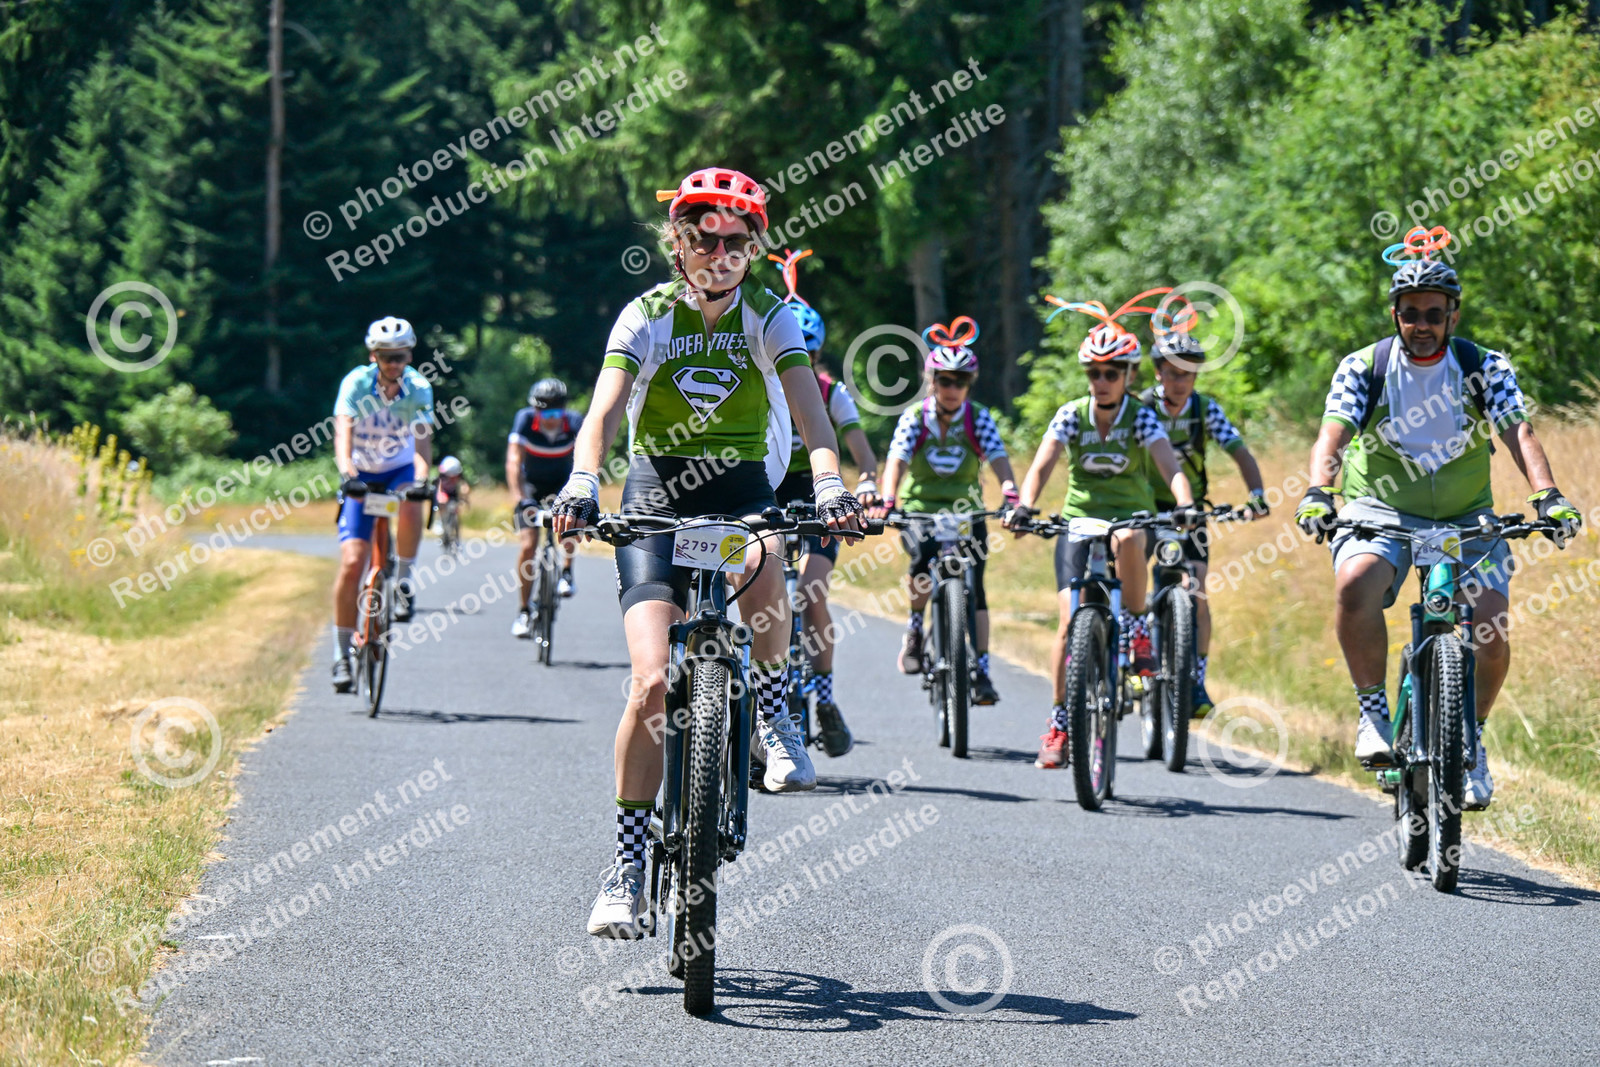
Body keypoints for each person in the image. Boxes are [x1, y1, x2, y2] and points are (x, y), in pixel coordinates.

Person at [549, 168, 865, 938]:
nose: (718, 254)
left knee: (765, 554)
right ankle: (626, 866)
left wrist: (830, 484)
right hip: (656, 495)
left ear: (754, 248)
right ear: (678, 243)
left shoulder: (771, 316)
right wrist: (584, 480)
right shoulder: (646, 316)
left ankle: (775, 713)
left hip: (740, 490)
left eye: (734, 241)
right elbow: (602, 413)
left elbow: (813, 419)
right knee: (651, 682)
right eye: (702, 238)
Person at [1295, 230, 1581, 810]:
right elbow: (1333, 434)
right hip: (1380, 508)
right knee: (1355, 583)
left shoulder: (1482, 366)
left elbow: (1518, 431)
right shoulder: (1365, 367)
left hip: (1464, 517)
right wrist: (1319, 492)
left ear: (1453, 314)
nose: (1421, 325)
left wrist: (1549, 497)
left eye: (1433, 313)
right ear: (1395, 315)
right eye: (1410, 314)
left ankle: (1470, 740)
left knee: (1490, 627)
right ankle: (1373, 712)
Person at [1007, 320, 1196, 770]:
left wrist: (1185, 503)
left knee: (1128, 537)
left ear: (1129, 375)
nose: (1102, 381)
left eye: (1112, 373)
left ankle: (1136, 626)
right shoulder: (1071, 415)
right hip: (1079, 521)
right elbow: (1041, 465)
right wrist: (1024, 505)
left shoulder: (1141, 416)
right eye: (1094, 373)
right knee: (1067, 623)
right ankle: (1059, 725)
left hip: (1131, 518)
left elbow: (1169, 467)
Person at [768, 248, 882, 758]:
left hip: (820, 495)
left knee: (811, 592)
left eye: (808, 355)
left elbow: (862, 452)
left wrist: (870, 482)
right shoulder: (758, 390)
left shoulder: (832, 393)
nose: (798, 365)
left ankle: (827, 698)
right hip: (768, 493)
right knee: (756, 587)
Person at [881, 318, 1017, 706]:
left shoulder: (977, 417)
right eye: (944, 381)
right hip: (921, 510)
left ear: (968, 384)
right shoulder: (915, 417)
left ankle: (982, 668)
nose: (952, 389)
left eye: (960, 382)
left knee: (977, 587)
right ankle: (914, 630)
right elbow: (897, 459)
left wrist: (1011, 492)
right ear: (932, 381)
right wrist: (888, 499)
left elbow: (998, 457)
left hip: (966, 512)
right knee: (921, 561)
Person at [1140, 329, 1268, 716]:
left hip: (1189, 510)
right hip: (1143, 507)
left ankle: (1196, 679)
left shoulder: (1204, 409)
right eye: (1173, 372)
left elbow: (1239, 451)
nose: (1181, 381)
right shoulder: (1141, 407)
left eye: (1188, 373)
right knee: (1130, 578)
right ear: (1159, 372)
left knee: (1195, 588)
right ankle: (1133, 654)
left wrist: (1257, 495)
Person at [330, 316, 435, 692]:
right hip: (361, 472)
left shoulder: (418, 388)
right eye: (386, 356)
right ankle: (342, 654)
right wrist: (347, 472)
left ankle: (403, 581)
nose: (393, 363)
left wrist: (422, 479)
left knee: (412, 501)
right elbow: (343, 431)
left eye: (400, 356)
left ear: (409, 356)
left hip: (398, 469)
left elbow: (422, 444)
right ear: (373, 356)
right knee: (353, 564)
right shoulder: (356, 384)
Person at [508, 378, 585, 637]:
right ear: (535, 410)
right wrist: (520, 499)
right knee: (528, 545)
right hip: (531, 487)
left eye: (555, 414)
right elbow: (513, 461)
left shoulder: (574, 421)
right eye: (545, 414)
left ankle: (567, 571)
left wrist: (578, 494)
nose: (550, 420)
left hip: (563, 485)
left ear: (563, 410)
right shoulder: (524, 419)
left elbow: (584, 459)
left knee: (570, 524)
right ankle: (523, 611)